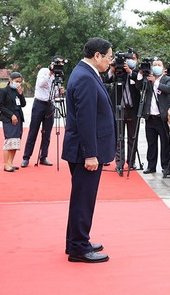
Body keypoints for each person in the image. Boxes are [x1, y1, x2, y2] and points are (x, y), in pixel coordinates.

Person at [63, 38, 115, 263]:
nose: (110, 61)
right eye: (108, 57)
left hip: (83, 148)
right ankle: (79, 247)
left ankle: (76, 241)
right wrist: (90, 154)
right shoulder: (85, 77)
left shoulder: (85, 73)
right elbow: (86, 120)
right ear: (97, 55)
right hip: (84, 151)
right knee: (83, 200)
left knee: (81, 198)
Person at [21, 58, 61, 167]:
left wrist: (60, 91)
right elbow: (41, 84)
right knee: (33, 131)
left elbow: (55, 94)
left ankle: (43, 157)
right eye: (57, 63)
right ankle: (26, 157)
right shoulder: (44, 71)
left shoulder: (58, 76)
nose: (59, 65)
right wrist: (50, 73)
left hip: (50, 104)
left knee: (47, 133)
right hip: (39, 103)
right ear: (52, 63)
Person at [140, 58, 170, 177]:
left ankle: (166, 166)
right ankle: (151, 166)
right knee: (151, 143)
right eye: (154, 65)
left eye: (159, 64)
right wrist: (141, 74)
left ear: (163, 68)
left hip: (162, 117)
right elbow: (139, 86)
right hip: (150, 117)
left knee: (165, 143)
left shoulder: (167, 79)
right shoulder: (148, 79)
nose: (156, 66)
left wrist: (155, 82)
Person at [0, 71, 26, 171]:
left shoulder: (18, 91)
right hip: (8, 117)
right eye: (16, 81)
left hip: (18, 117)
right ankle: (6, 164)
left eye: (19, 81)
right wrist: (11, 115)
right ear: (10, 80)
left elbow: (23, 104)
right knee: (9, 140)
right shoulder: (4, 91)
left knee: (16, 141)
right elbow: (1, 106)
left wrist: (21, 93)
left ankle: (10, 162)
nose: (18, 83)